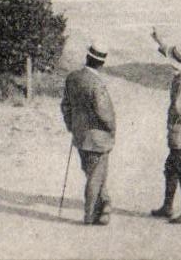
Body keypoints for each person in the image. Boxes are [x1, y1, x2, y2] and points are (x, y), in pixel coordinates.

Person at [61, 43, 116, 226]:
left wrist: (71, 125)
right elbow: (105, 113)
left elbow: (65, 106)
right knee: (95, 176)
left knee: (92, 173)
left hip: (80, 136)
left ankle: (105, 204)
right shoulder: (97, 85)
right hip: (97, 138)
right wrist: (111, 128)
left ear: (87, 57)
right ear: (101, 64)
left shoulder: (72, 78)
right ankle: (90, 215)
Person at [149, 28, 181, 224]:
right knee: (171, 167)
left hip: (180, 132)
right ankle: (168, 206)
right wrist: (157, 38)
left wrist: (176, 116)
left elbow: (178, 106)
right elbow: (167, 50)